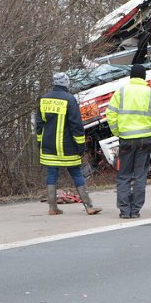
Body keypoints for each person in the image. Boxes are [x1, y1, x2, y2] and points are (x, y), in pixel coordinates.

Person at [36, 72, 101, 216]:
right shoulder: (70, 100)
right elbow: (76, 126)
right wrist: (80, 146)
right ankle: (89, 207)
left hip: (49, 146)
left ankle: (52, 208)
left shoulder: (43, 99)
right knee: (77, 173)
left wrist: (40, 143)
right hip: (67, 146)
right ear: (66, 82)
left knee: (51, 174)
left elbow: (39, 125)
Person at [106, 64, 151, 218]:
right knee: (140, 175)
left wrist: (117, 131)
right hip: (145, 140)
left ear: (131, 77)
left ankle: (125, 211)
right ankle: (135, 210)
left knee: (124, 175)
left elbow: (110, 115)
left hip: (126, 139)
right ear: (144, 77)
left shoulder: (121, 92)